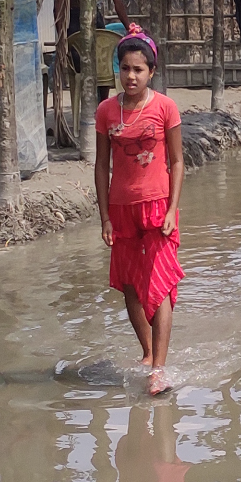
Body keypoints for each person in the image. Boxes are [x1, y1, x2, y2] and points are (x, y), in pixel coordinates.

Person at [95, 27, 185, 395]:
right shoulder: (106, 111)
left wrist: (172, 209)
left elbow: (178, 162)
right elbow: (102, 166)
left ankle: (159, 370)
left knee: (160, 285)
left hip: (159, 207)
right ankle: (147, 352)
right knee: (131, 286)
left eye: (139, 69)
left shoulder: (166, 107)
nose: (131, 76)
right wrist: (104, 216)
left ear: (151, 72)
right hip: (121, 209)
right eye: (125, 68)